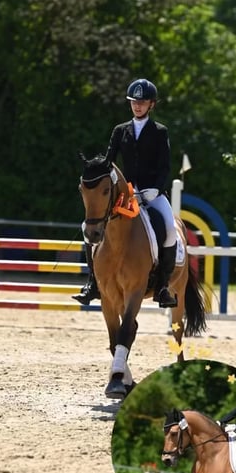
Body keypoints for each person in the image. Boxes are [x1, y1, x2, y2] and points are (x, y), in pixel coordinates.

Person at [73, 78, 178, 308]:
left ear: (151, 104)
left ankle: (162, 287)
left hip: (153, 194)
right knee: (87, 228)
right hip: (126, 195)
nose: (137, 106)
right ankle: (92, 283)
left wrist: (156, 190)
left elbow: (165, 167)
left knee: (169, 230)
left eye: (142, 102)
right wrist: (96, 168)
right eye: (134, 102)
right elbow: (109, 161)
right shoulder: (120, 130)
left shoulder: (160, 132)